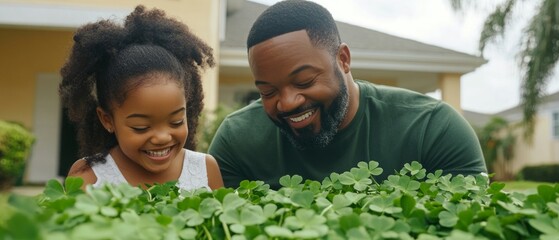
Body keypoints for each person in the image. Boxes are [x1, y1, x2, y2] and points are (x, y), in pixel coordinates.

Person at [208, 0, 487, 189]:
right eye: (268, 91)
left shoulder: (433, 129)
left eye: (304, 81)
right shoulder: (237, 141)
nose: (288, 102)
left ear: (343, 59)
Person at [61, 5, 223, 191]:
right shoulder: (89, 176)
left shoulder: (205, 169)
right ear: (107, 120)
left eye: (176, 121)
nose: (162, 137)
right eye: (141, 127)